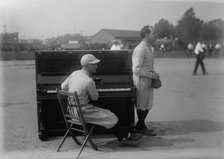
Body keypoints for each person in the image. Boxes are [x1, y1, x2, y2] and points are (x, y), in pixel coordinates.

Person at [61, 54, 142, 146]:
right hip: (82, 112)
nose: (97, 66)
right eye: (94, 64)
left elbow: (63, 87)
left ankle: (124, 135)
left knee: (107, 113)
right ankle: (123, 138)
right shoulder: (88, 81)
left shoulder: (74, 73)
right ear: (86, 65)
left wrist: (76, 90)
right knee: (111, 116)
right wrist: (91, 89)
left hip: (71, 111)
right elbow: (95, 98)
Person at [132, 25, 160, 136]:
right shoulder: (140, 49)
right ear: (146, 35)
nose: (156, 35)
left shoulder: (149, 47)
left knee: (148, 103)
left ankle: (140, 125)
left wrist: (153, 75)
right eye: (154, 33)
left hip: (148, 79)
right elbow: (136, 69)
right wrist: (151, 75)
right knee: (142, 104)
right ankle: (141, 126)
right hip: (141, 80)